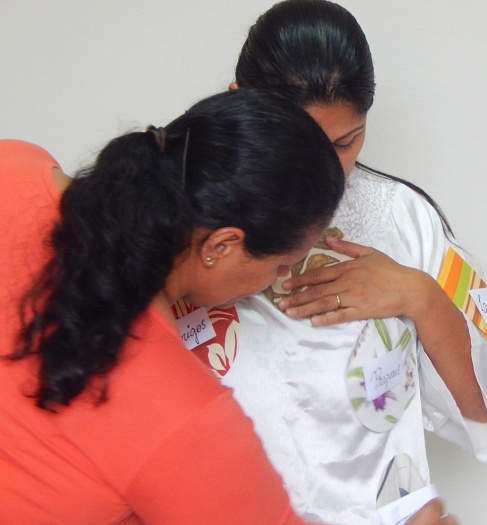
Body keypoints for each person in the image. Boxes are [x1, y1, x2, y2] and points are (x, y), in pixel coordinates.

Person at [174, 2, 487, 524]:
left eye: (345, 141)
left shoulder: (402, 217)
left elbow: (480, 410)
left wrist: (420, 295)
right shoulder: (177, 213)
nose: (325, 171)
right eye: (301, 142)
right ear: (238, 104)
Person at [1, 88, 359, 525]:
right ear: (221, 246)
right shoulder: (181, 418)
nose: (280, 278)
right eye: (280, 265)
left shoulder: (16, 164)